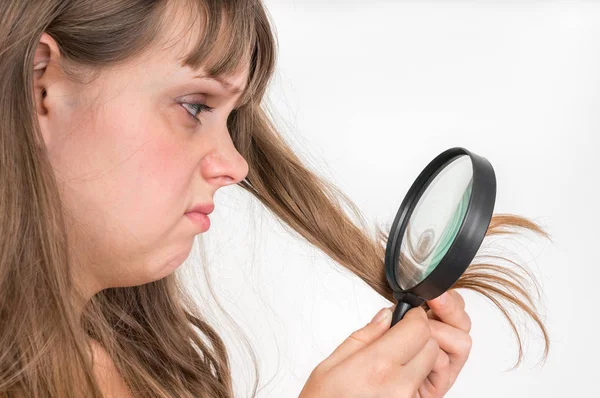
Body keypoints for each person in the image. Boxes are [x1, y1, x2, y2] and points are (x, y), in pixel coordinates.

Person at [0, 1, 547, 397]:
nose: (235, 166)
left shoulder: (151, 369)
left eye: (231, 119)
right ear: (41, 86)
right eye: (194, 106)